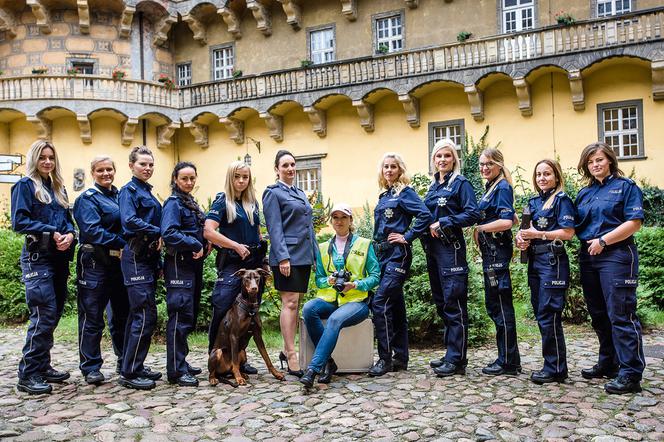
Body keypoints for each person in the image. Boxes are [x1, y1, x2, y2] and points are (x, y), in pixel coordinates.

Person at [575, 142, 645, 394]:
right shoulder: (584, 194)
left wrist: (604, 240)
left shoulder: (626, 188)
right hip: (589, 257)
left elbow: (634, 222)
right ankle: (609, 362)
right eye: (591, 161)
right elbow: (569, 225)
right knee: (599, 314)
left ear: (610, 161)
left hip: (616, 255)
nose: (595, 164)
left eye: (599, 160)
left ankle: (631, 374)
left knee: (621, 313)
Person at [11, 140, 77, 395]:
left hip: (59, 259)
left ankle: (42, 364)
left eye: (51, 157)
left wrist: (70, 235)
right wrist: (51, 232)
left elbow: (68, 223)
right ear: (34, 160)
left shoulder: (58, 189)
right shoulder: (25, 186)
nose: (47, 162)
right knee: (44, 314)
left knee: (55, 313)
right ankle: (28, 374)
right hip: (37, 258)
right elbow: (19, 221)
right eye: (42, 158)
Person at [299, 203, 381, 387]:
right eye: (335, 217)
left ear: (350, 220)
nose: (339, 221)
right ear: (331, 221)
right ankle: (329, 363)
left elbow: (376, 276)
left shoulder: (364, 244)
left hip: (356, 301)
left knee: (335, 320)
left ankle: (313, 368)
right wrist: (327, 281)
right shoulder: (322, 248)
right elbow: (318, 279)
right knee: (309, 308)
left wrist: (356, 284)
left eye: (343, 217)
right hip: (331, 299)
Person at [369, 153, 431, 377]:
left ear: (400, 170)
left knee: (380, 301)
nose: (388, 170)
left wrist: (408, 235)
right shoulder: (384, 195)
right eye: (385, 166)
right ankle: (401, 358)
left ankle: (385, 359)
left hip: (398, 255)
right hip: (383, 254)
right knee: (395, 306)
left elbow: (424, 214)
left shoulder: (405, 193)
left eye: (393, 167)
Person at [423, 140, 480, 377]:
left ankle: (457, 360)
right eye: (438, 156)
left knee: (454, 303)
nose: (443, 160)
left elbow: (473, 213)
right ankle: (450, 353)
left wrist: (445, 221)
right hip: (434, 252)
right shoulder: (433, 187)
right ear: (433, 161)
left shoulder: (460, 184)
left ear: (454, 159)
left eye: (447, 156)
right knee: (442, 303)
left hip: (451, 250)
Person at [515, 159, 575, 384]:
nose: (542, 178)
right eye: (539, 174)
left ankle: (556, 368)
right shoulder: (532, 202)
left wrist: (538, 235)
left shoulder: (561, 200)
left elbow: (568, 232)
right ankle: (553, 364)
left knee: (549, 313)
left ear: (557, 177)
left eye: (547, 174)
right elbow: (526, 231)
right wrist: (522, 239)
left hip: (553, 261)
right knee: (541, 314)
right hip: (535, 261)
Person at [204, 160, 266, 375]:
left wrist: (264, 259)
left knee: (249, 314)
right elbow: (209, 231)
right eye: (237, 176)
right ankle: (215, 354)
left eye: (245, 177)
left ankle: (239, 357)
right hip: (232, 262)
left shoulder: (252, 203)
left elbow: (257, 232)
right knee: (222, 307)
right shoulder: (222, 201)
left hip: (253, 265)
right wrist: (235, 246)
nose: (241, 181)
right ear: (230, 178)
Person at [73, 155, 129, 385]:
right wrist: (123, 243)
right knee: (92, 316)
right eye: (100, 170)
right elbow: (92, 231)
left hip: (118, 264)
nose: (106, 173)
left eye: (109, 169)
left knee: (121, 315)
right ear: (92, 173)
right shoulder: (87, 199)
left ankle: (124, 360)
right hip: (94, 262)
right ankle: (91, 366)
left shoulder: (120, 196)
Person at [262, 150, 316, 377]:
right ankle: (291, 354)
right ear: (277, 169)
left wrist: (314, 257)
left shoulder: (300, 193)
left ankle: (287, 349)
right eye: (285, 165)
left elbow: (309, 228)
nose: (291, 169)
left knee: (296, 302)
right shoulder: (272, 193)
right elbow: (274, 228)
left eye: (293, 164)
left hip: (303, 256)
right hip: (287, 256)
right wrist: (283, 257)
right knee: (290, 303)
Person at [118, 146, 162, 390]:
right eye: (143, 164)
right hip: (135, 256)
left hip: (148, 257)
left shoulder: (148, 192)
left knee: (142, 314)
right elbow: (129, 221)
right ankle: (130, 373)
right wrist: (161, 232)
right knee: (144, 314)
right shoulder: (129, 191)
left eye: (151, 164)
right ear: (131, 165)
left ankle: (134, 364)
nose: (147, 168)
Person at [161, 162, 207, 387]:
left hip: (193, 264)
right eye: (184, 179)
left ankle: (182, 361)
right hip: (178, 263)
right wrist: (194, 243)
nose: (189, 182)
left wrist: (205, 244)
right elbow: (169, 233)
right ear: (175, 179)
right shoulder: (173, 203)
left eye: (192, 178)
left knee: (188, 315)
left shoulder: (191, 203)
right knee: (179, 314)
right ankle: (176, 371)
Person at [475, 148, 521, 376]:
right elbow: (512, 216)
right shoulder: (491, 186)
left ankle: (509, 362)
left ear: (499, 165)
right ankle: (507, 357)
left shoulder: (502, 186)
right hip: (490, 253)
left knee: (501, 307)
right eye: (482, 164)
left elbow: (506, 221)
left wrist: (480, 228)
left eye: (489, 164)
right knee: (495, 306)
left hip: (497, 255)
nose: (484, 168)